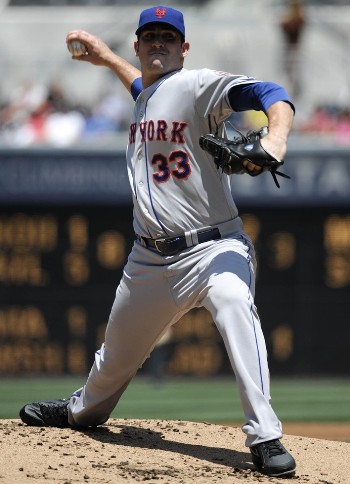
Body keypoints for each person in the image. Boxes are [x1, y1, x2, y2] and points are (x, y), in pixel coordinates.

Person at [19, 6, 296, 478]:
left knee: (234, 303)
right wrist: (106, 58)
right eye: (150, 37)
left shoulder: (196, 84)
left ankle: (265, 436)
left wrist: (276, 140)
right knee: (110, 368)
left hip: (213, 248)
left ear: (184, 48)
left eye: (169, 37)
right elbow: (143, 88)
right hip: (149, 259)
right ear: (139, 45)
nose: (159, 43)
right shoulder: (148, 95)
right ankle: (81, 411)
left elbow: (271, 93)